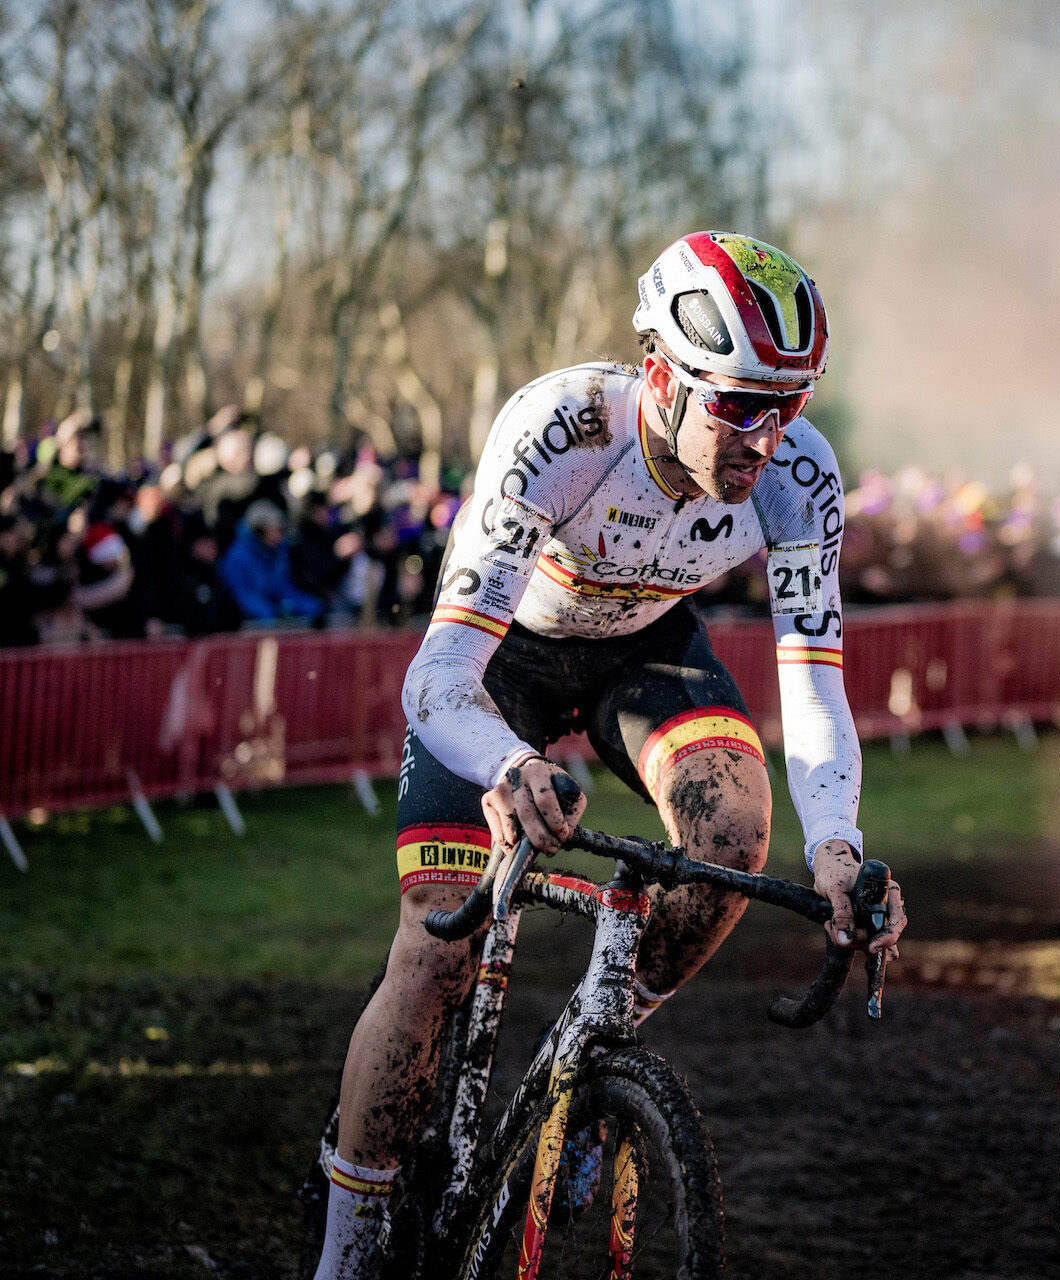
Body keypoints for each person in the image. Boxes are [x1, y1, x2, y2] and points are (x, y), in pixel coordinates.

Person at [312, 232, 906, 1280]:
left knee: (733, 832)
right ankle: (347, 1246)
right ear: (664, 376)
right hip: (506, 659)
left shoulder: (800, 478)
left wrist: (841, 848)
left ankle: (592, 1056)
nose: (764, 438)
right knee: (437, 947)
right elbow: (437, 674)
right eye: (737, 402)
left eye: (790, 404)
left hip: (645, 648)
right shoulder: (563, 430)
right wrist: (504, 764)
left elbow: (815, 678)